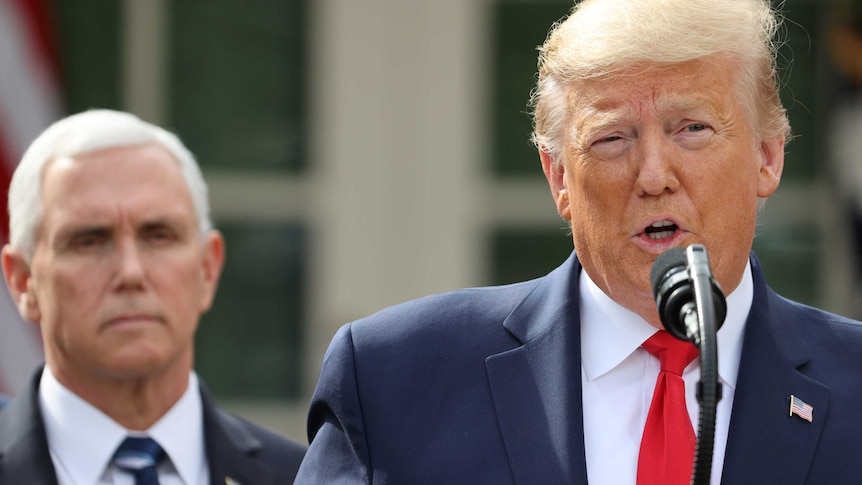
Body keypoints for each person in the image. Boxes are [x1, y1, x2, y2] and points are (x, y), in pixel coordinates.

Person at [296, 0, 862, 483]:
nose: (653, 175)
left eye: (692, 129)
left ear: (768, 155)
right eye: (613, 138)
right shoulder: (393, 379)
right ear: (560, 177)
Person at [0, 109, 306, 483]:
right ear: (23, 281)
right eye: (89, 241)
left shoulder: (305, 477)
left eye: (159, 235)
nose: (131, 272)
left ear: (207, 269)